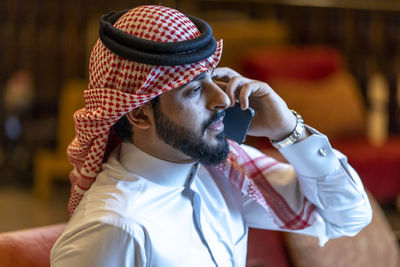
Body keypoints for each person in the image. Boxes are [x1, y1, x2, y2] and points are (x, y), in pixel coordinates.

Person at [50, 5, 372, 267]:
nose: (222, 99)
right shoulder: (115, 227)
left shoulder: (220, 172)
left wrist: (288, 130)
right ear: (138, 113)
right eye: (193, 90)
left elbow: (348, 216)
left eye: (212, 79)